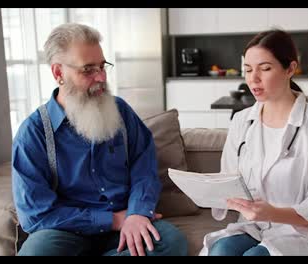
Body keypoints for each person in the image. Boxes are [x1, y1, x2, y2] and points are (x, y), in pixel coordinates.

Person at [12, 23, 188, 256]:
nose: (101, 77)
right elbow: (35, 214)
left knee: (171, 241)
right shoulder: (33, 133)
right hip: (66, 230)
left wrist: (137, 213)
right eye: (88, 70)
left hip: (128, 223)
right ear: (58, 73)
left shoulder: (121, 112)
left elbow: (144, 169)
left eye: (102, 66)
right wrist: (112, 220)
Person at [200, 29, 308, 256]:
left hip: (300, 234)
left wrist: (273, 213)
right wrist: (207, 190)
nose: (253, 78)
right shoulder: (242, 121)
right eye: (248, 70)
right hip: (253, 227)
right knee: (220, 251)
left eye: (265, 68)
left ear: (290, 69)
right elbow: (227, 179)